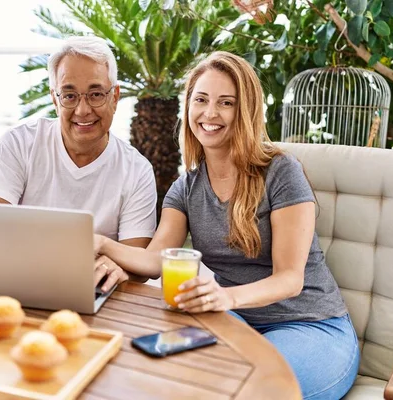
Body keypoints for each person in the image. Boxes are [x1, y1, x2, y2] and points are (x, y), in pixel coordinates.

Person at [93, 52, 359, 399]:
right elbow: (157, 260)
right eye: (201, 100)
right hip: (234, 321)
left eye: (226, 103)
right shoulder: (186, 188)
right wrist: (101, 243)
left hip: (310, 325)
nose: (210, 113)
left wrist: (225, 296)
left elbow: (290, 279)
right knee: (160, 373)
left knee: (250, 391)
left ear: (245, 110)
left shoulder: (281, 173)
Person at [0, 36, 157, 291]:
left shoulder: (137, 171)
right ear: (55, 99)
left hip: (96, 294)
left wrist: (114, 266)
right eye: (70, 95)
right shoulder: (18, 144)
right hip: (17, 284)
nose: (83, 110)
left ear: (115, 97)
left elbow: (135, 264)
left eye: (96, 94)